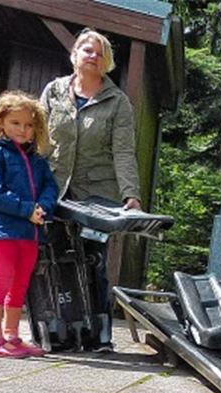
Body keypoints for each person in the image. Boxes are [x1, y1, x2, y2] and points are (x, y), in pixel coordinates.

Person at [40, 28, 141, 351]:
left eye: (100, 53)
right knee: (53, 258)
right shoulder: (54, 91)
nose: (93, 56)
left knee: (93, 261)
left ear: (107, 61)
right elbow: (38, 141)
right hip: (54, 190)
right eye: (87, 49)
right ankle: (59, 332)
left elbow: (123, 151)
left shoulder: (117, 101)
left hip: (98, 195)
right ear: (75, 54)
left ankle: (100, 335)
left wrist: (131, 194)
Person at [0, 91, 59, 358]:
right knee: (2, 281)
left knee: (20, 284)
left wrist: (42, 207)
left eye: (29, 124)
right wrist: (26, 210)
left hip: (30, 233)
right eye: (16, 123)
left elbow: (50, 187)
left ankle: (11, 336)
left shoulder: (37, 160)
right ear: (0, 122)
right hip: (3, 231)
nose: (23, 129)